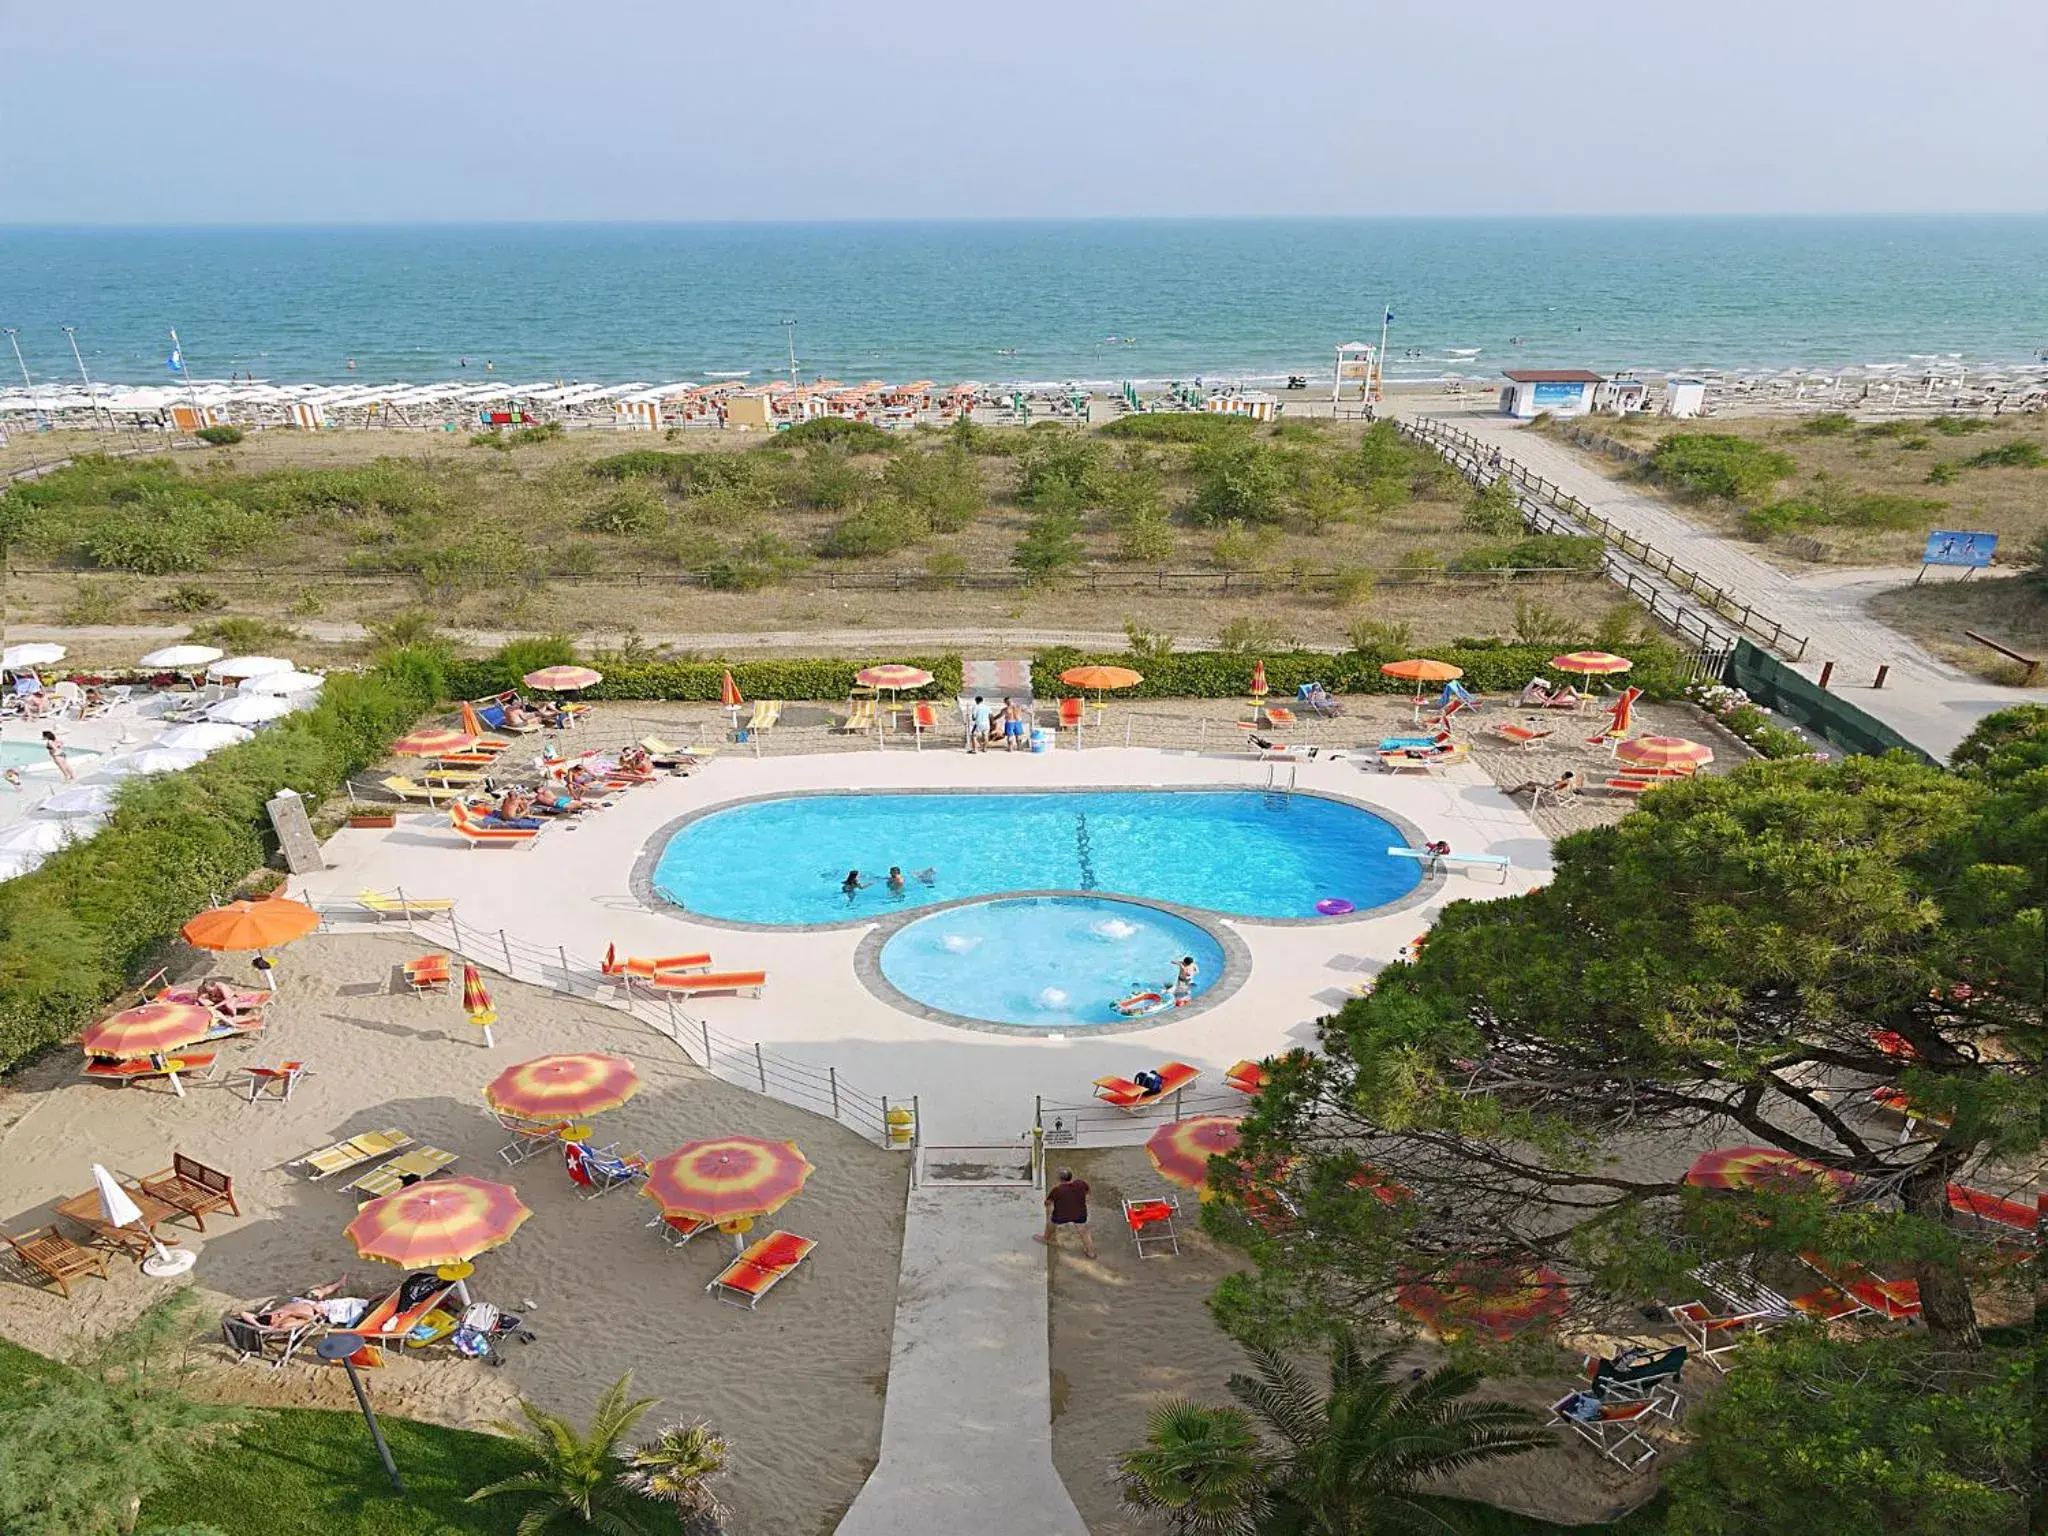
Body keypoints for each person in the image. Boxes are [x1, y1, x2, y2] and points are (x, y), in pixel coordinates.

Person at [239, 1280, 368, 1331]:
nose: (277, 1314)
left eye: (274, 1314)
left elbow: (243, 1314)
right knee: (351, 1303)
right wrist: (291, 1313)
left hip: (302, 1301)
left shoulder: (265, 1317)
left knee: (317, 1292)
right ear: (273, 1323)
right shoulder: (284, 1324)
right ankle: (369, 1299)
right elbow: (309, 1319)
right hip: (315, 1309)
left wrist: (258, 1325)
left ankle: (339, 1284)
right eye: (276, 1317)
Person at [1035, 1167, 1096, 1258]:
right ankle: (1091, 1253)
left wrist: (1048, 1207)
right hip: (1080, 1213)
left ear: (1059, 1179)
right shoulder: (1081, 1183)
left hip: (1061, 1215)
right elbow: (1088, 1192)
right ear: (1071, 1176)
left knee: (1051, 1223)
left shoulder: (1057, 1190)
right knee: (1084, 1231)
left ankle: (1045, 1239)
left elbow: (1048, 1202)